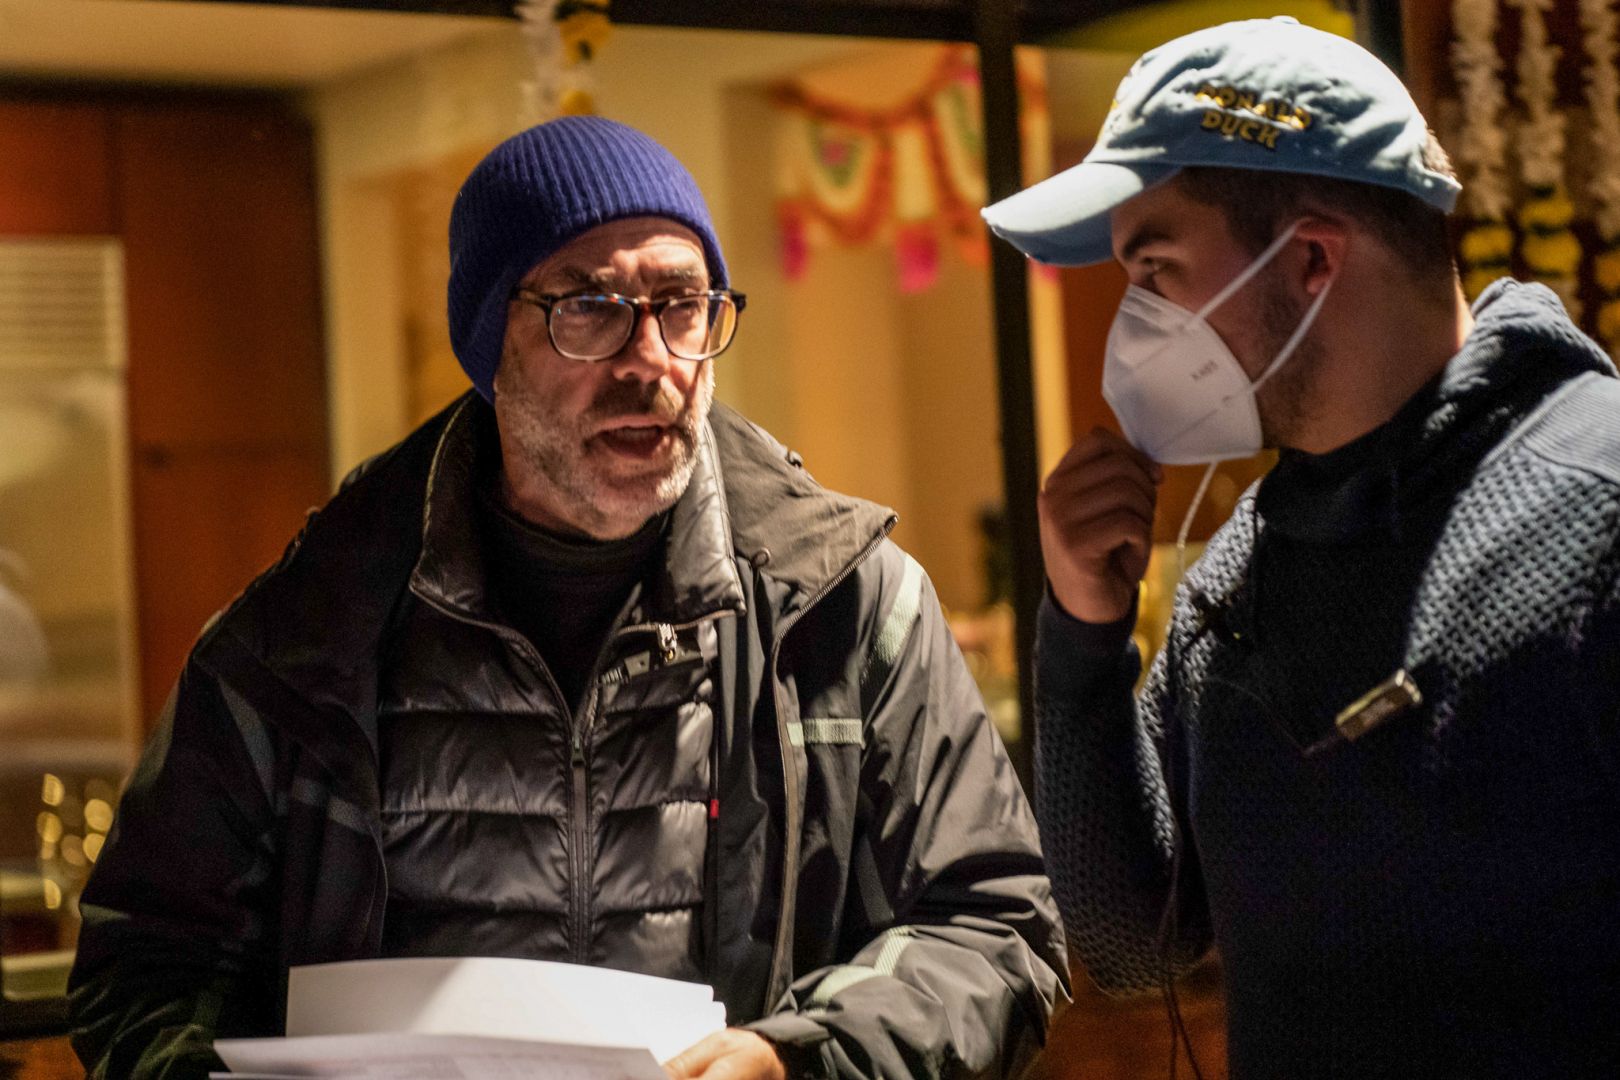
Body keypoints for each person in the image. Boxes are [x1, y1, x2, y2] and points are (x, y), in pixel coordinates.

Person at [70, 116, 1067, 1080]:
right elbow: (149, 963)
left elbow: (996, 926)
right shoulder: (308, 629)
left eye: (682, 304)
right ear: (488, 343)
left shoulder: (845, 606)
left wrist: (798, 1057)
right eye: (589, 305)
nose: (652, 360)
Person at [982, 16, 1620, 1079]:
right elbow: (1133, 946)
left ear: (1313, 257)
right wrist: (1082, 636)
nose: (1134, 322)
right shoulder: (1243, 568)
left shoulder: (1595, 504)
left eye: (1156, 269)